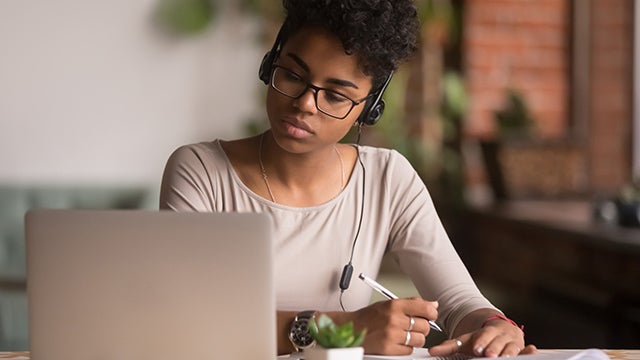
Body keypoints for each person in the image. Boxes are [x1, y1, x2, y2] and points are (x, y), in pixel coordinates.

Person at [160, 0, 537, 356]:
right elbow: (183, 321)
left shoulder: (389, 179)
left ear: (368, 109)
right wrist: (346, 329)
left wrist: (494, 326)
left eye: (336, 96)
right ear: (269, 64)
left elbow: (459, 303)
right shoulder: (201, 171)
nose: (305, 104)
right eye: (292, 75)